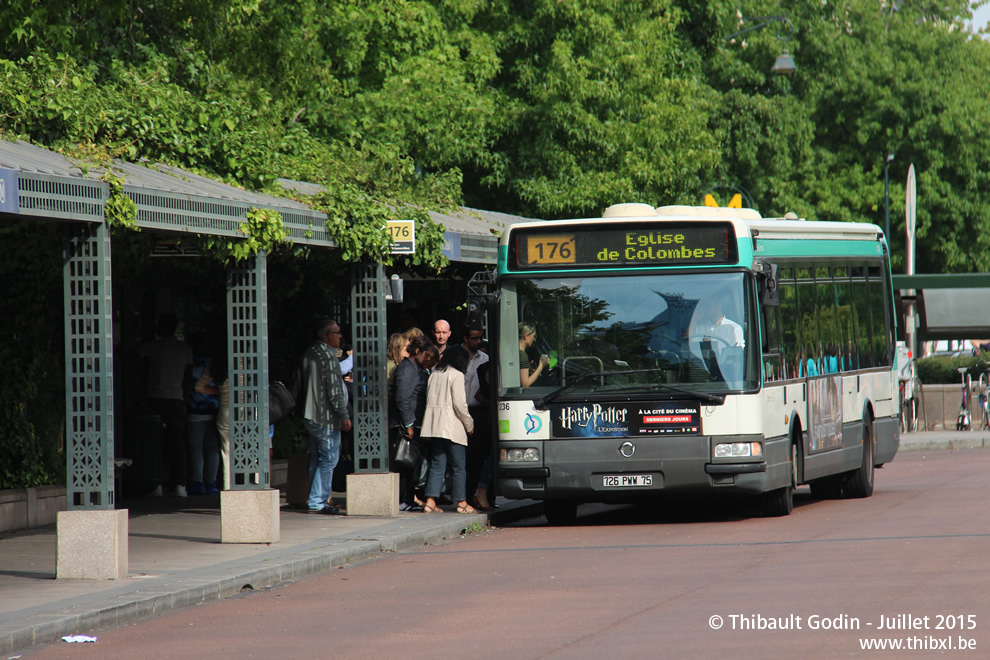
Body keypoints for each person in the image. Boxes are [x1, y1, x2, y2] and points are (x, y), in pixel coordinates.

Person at [299, 319, 352, 514]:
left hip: (310, 413)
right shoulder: (328, 357)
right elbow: (335, 391)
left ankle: (314, 498)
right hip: (326, 417)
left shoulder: (310, 352)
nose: (340, 337)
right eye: (338, 333)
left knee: (316, 458)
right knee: (329, 459)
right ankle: (318, 501)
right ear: (329, 335)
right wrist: (344, 415)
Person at [137, 313, 194, 497]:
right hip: (176, 399)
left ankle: (156, 484)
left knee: (154, 443)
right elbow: (188, 379)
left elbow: (136, 359)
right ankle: (180, 484)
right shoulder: (184, 349)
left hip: (155, 398)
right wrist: (185, 401)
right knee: (178, 443)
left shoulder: (153, 347)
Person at [421, 348, 477, 514]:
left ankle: (430, 501)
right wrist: (470, 424)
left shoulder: (434, 374)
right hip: (452, 426)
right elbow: (460, 404)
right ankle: (462, 502)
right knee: (459, 467)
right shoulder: (457, 375)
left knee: (437, 465)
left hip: (434, 426)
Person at [390, 334, 437, 511]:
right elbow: (402, 398)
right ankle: (403, 500)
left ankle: (408, 499)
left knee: (411, 464)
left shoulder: (414, 368)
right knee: (405, 462)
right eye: (426, 355)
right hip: (407, 424)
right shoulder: (407, 369)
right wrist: (408, 424)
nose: (428, 359)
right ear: (417, 352)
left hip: (414, 422)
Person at [186, 335, 221, 496]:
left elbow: (187, 386)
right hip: (215, 410)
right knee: (213, 448)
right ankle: (212, 483)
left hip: (195, 410)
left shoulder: (191, 363)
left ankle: (198, 482)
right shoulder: (217, 363)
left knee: (196, 448)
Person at [519, 322, 549, 387]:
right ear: (526, 336)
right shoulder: (522, 355)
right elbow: (525, 384)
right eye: (533, 336)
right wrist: (541, 365)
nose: (534, 339)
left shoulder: (517, 353)